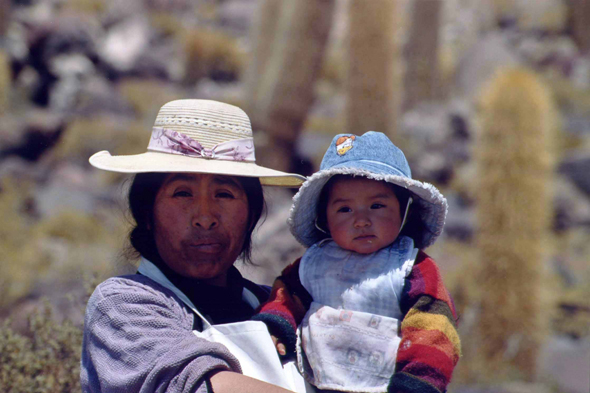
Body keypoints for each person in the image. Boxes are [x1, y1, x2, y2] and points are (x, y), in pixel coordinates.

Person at [80, 99, 313, 393]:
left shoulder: (275, 308)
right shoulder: (122, 305)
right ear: (147, 212)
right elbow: (196, 385)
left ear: (251, 215)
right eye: (182, 193)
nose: (205, 217)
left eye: (225, 194)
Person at [254, 131, 461, 393]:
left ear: (404, 212)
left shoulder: (412, 268)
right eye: (344, 209)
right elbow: (285, 298)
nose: (361, 220)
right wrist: (276, 328)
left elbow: (434, 328)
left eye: (376, 206)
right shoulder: (313, 264)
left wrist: (417, 382)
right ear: (324, 218)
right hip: (312, 383)